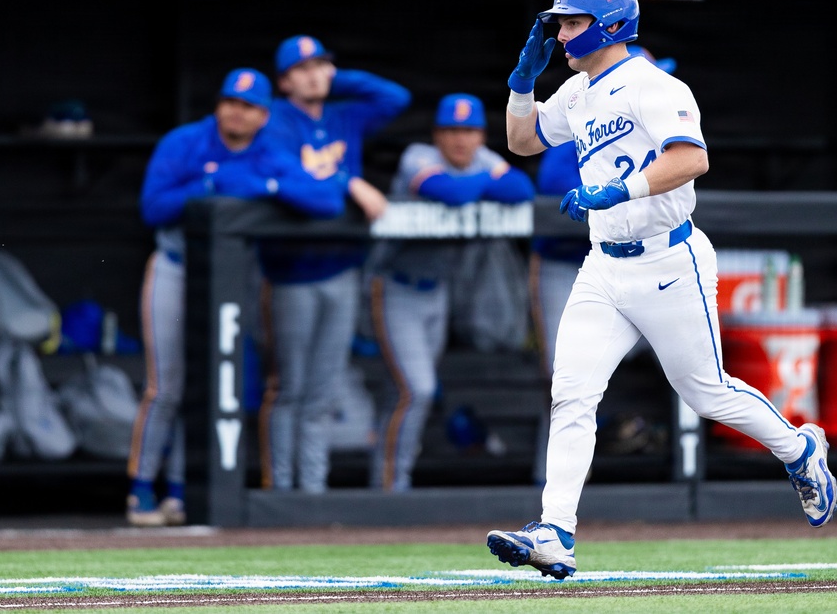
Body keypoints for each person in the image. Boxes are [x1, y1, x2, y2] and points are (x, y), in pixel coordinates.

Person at [486, 0, 837, 579]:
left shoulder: (653, 84)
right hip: (604, 267)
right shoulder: (577, 91)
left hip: (669, 261)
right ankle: (555, 531)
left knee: (706, 392)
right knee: (571, 393)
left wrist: (617, 189)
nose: (562, 33)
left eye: (572, 22)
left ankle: (801, 448)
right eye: (560, 23)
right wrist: (522, 82)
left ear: (610, 24)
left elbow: (692, 157)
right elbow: (522, 141)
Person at [127, 68, 350, 526]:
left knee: (212, 385)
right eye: (231, 101)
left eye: (249, 106)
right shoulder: (185, 141)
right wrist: (210, 185)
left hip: (231, 276)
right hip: (175, 266)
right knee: (164, 386)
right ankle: (140, 490)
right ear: (218, 104)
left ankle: (180, 491)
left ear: (264, 115)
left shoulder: (270, 151)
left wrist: (268, 187)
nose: (237, 111)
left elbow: (326, 200)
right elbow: (152, 208)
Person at [256, 35, 411, 493]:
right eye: (301, 69)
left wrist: (329, 77)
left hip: (341, 268)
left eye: (321, 65)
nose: (314, 74)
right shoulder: (275, 118)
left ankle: (313, 494)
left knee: (322, 391)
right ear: (283, 81)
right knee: (289, 388)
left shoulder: (344, 112)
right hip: (289, 272)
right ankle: (280, 493)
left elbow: (395, 97)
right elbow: (297, 180)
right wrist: (350, 180)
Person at [366, 93, 535, 492]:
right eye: (451, 131)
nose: (461, 141)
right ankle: (391, 489)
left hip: (437, 293)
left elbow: (521, 188)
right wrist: (483, 185)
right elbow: (450, 193)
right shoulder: (417, 156)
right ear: (437, 135)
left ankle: (387, 484)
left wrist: (482, 181)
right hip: (393, 286)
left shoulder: (483, 160)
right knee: (417, 389)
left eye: (470, 131)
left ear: (481, 136)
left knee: (408, 392)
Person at [528, 47, 676, 485]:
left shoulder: (658, 122)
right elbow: (550, 180)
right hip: (563, 265)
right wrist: (604, 188)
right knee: (563, 376)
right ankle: (549, 488)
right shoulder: (588, 116)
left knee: (694, 371)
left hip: (638, 267)